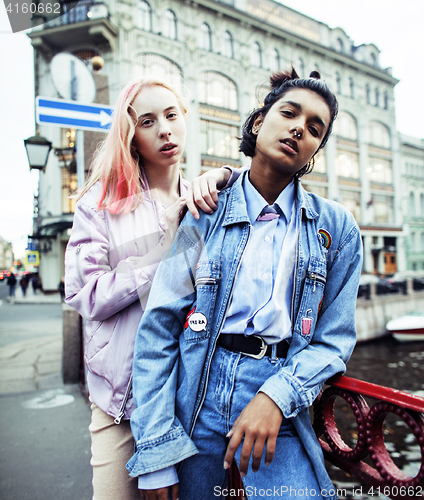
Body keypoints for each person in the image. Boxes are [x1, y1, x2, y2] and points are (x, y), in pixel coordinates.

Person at [127, 68, 363, 500]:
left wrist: (277, 396)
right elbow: (159, 328)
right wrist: (156, 453)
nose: (298, 129)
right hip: (197, 394)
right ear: (259, 122)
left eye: (314, 129)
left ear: (314, 151)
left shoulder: (337, 229)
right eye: (289, 113)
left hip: (280, 393)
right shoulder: (205, 212)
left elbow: (335, 341)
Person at [64, 75, 235, 500]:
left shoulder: (205, 200)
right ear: (131, 135)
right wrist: (165, 256)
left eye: (172, 115)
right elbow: (85, 294)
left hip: (189, 400)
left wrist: (226, 174)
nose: (164, 129)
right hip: (121, 402)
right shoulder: (100, 203)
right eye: (147, 121)